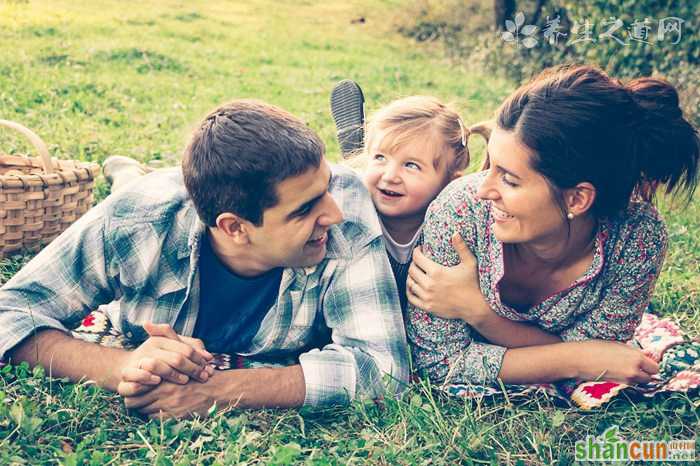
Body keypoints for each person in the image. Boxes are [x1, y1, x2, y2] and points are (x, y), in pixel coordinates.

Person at [0, 99, 409, 418]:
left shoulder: (346, 203)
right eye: (304, 210)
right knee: (134, 188)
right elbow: (11, 311)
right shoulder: (136, 219)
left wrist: (215, 391)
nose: (333, 214)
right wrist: (122, 366)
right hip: (158, 199)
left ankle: (130, 169)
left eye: (326, 187)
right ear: (234, 227)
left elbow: (384, 366)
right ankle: (127, 174)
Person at [405, 65, 699, 387]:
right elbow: (441, 362)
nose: (483, 189)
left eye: (510, 179)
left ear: (576, 199)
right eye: (490, 165)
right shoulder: (460, 212)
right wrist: (579, 358)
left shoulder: (637, 239)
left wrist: (479, 314)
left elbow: (600, 352)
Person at [357, 96, 473, 312]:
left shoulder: (454, 233)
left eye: (411, 165)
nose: (390, 176)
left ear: (450, 184)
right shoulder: (354, 214)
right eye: (380, 157)